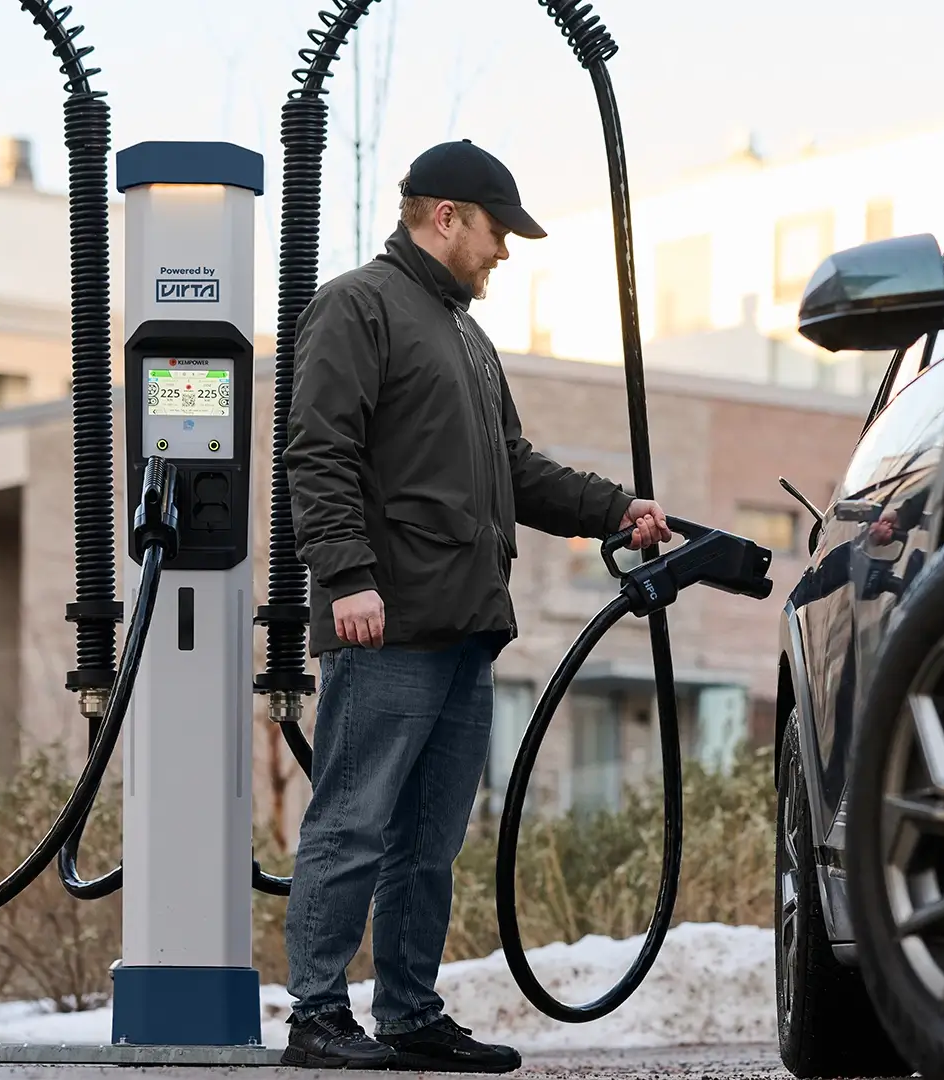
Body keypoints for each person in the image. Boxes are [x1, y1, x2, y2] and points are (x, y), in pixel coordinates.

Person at [281, 139, 673, 1072]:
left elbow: (516, 470)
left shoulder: (465, 335)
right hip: (385, 620)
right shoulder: (357, 304)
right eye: (498, 232)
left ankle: (410, 1015)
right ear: (444, 215)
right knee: (352, 821)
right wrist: (347, 579)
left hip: (464, 627)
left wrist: (614, 508)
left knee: (430, 837)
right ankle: (316, 1018)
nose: (505, 251)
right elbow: (317, 452)